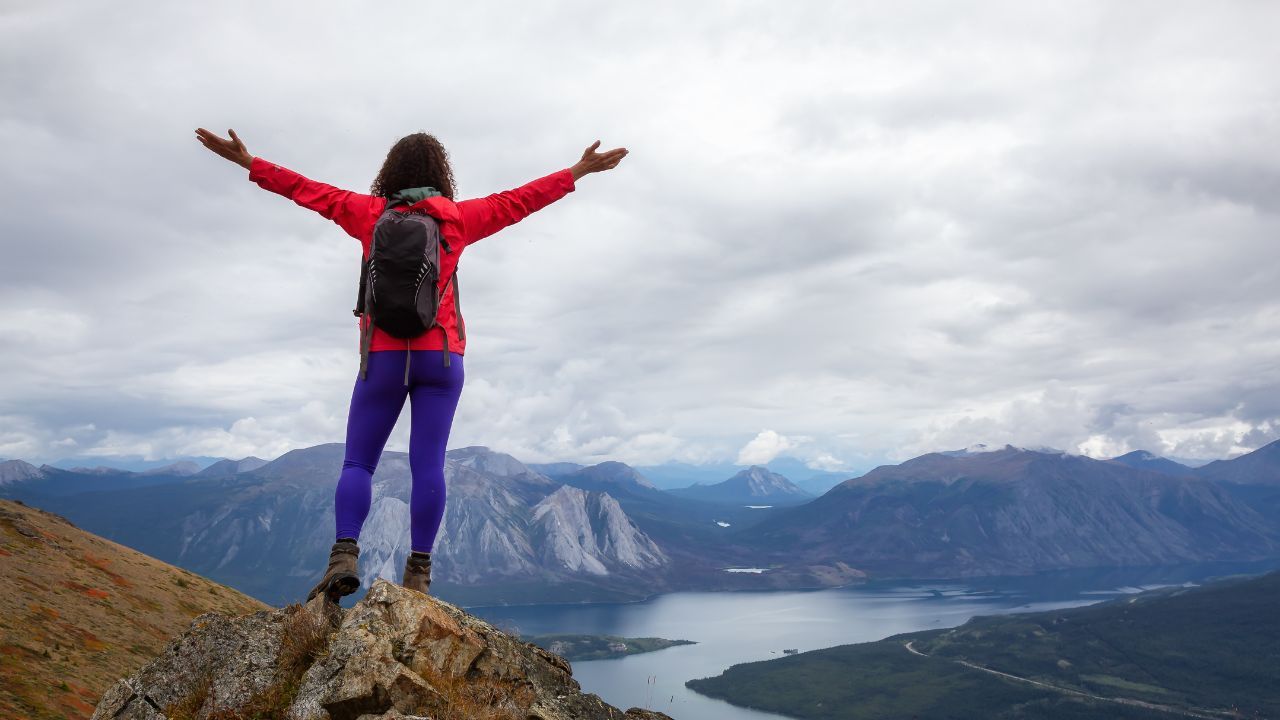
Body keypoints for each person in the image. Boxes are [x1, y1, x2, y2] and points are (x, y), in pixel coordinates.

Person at [194, 127, 627, 601]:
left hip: (381, 356)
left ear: (390, 173)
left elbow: (305, 189)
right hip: (440, 358)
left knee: (359, 461)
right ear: (441, 174)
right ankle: (418, 572)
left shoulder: (366, 213)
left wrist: (249, 162)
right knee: (428, 464)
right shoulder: (459, 219)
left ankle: (343, 555)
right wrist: (578, 171)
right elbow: (519, 200)